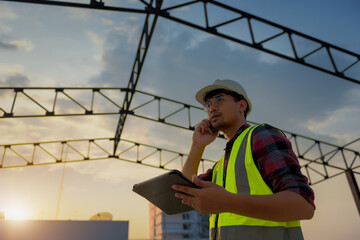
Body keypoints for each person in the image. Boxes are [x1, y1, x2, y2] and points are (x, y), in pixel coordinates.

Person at [172, 79, 315, 240]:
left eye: (219, 99)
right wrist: (197, 146)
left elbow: (303, 204)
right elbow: (183, 191)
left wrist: (227, 202)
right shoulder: (221, 166)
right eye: (208, 105)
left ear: (241, 105)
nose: (212, 108)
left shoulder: (261, 135)